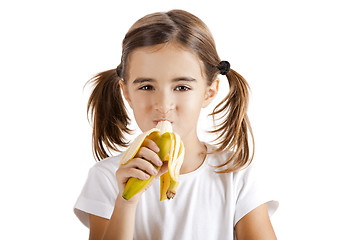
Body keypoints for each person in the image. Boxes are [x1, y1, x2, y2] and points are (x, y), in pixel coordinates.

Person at [74, 9, 279, 240]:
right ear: (127, 93)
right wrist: (125, 203)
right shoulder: (107, 178)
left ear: (209, 92)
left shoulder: (237, 174)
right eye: (146, 87)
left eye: (181, 87)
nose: (163, 105)